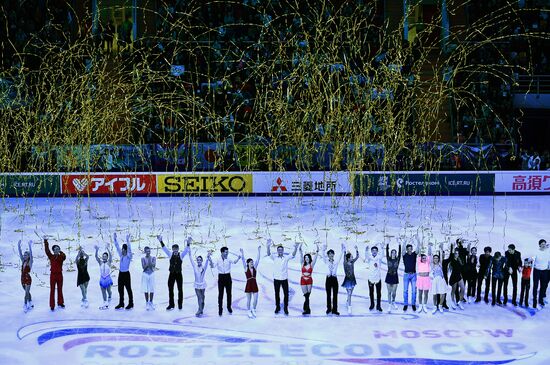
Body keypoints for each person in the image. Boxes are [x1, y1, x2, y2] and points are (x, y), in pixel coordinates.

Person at [267, 239, 300, 315]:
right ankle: (277, 307)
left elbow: (293, 254)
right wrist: (268, 246)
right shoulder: (274, 258)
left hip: (284, 279)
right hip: (276, 279)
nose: (280, 251)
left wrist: (296, 247)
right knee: (277, 294)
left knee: (286, 294)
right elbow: (268, 254)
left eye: (281, 250)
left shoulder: (286, 258)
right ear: (277, 251)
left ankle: (285, 307)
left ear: (283, 250)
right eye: (279, 250)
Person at [158, 235, 190, 310]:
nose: (175, 251)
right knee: (170, 289)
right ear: (172, 249)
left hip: (179, 274)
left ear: (178, 249)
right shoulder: (170, 254)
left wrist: (188, 243)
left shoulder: (181, 255)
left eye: (176, 249)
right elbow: (164, 248)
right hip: (171, 274)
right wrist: (160, 241)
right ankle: (171, 304)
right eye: (174, 249)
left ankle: (180, 304)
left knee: (180, 289)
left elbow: (186, 250)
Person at [210, 246, 242, 316]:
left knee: (229, 293)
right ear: (222, 252)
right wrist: (210, 260)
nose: (227, 253)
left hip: (228, 277)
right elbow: (213, 266)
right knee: (221, 294)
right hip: (221, 277)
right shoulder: (217, 259)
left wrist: (238, 258)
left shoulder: (229, 259)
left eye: (227, 252)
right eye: (225, 252)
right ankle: (220, 309)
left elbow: (234, 262)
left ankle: (229, 307)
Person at [189, 239, 212, 317]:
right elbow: (190, 257)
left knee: (203, 298)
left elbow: (207, 262)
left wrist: (208, 255)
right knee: (199, 298)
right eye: (197, 260)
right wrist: (188, 246)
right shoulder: (194, 267)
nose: (198, 261)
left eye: (200, 260)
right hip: (196, 285)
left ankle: (201, 308)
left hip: (202, 285)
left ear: (201, 261)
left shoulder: (203, 267)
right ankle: (199, 310)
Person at [321, 243, 345, 316]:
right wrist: (323, 249)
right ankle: (329, 309)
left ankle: (335, 309)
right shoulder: (326, 261)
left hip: (334, 279)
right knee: (328, 295)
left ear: (333, 254)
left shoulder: (336, 262)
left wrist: (342, 249)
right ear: (328, 255)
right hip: (328, 279)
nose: (331, 255)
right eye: (330, 254)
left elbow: (340, 256)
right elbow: (323, 256)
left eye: (332, 254)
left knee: (335, 295)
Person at [44, 238, 66, 311]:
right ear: (53, 250)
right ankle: (52, 305)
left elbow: (64, 257)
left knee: (60, 289)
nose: (57, 250)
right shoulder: (51, 256)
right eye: (56, 249)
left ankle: (60, 302)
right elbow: (47, 251)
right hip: (53, 275)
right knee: (52, 290)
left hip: (60, 275)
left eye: (58, 249)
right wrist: (45, 241)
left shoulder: (61, 257)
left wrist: (61, 251)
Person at [240, 245, 262, 318]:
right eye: (251, 262)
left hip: (254, 284)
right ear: (248, 263)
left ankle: (254, 309)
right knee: (248, 300)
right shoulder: (246, 268)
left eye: (252, 262)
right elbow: (243, 260)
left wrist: (259, 251)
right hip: (249, 284)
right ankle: (248, 310)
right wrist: (242, 253)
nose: (252, 263)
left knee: (256, 299)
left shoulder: (254, 268)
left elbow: (258, 259)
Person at [114, 233, 134, 310]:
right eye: (122, 249)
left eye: (124, 250)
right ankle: (121, 303)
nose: (122, 251)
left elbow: (130, 249)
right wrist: (115, 239)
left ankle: (131, 303)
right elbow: (117, 247)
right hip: (120, 274)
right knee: (120, 289)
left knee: (128, 288)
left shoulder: (129, 256)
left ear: (126, 250)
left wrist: (127, 240)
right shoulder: (121, 255)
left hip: (126, 274)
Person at [299, 243, 320, 315]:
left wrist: (317, 250)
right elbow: (301, 255)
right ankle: (306, 307)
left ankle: (307, 309)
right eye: (305, 258)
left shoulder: (312, 264)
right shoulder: (302, 263)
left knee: (308, 295)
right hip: (303, 280)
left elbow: (316, 258)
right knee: (305, 295)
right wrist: (300, 249)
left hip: (309, 280)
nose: (306, 259)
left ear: (309, 258)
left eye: (308, 258)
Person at [365, 244, 384, 312]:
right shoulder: (369, 258)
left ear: (377, 251)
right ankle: (372, 304)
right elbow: (366, 256)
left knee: (378, 293)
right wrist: (366, 250)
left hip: (378, 278)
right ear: (371, 251)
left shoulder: (379, 258)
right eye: (373, 250)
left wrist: (382, 248)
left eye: (376, 250)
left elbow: (382, 254)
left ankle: (378, 305)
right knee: (371, 293)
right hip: (371, 278)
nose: (374, 252)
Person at [532, 239, 549, 310]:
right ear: (539, 245)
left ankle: (540, 300)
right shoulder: (536, 252)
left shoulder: (548, 252)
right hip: (537, 271)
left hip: (545, 271)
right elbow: (532, 258)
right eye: (542, 244)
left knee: (543, 286)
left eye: (544, 244)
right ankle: (534, 301)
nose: (543, 245)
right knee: (535, 286)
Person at [342, 245, 359, 315]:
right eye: (351, 257)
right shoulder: (345, 263)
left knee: (350, 293)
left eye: (352, 257)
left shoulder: (352, 262)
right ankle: (349, 306)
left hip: (353, 279)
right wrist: (344, 251)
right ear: (348, 258)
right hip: (347, 280)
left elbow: (357, 257)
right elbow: (344, 258)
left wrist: (357, 250)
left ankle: (347, 301)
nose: (352, 258)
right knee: (349, 293)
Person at [95, 245, 113, 310]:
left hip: (107, 278)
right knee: (103, 291)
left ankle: (110, 295)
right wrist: (97, 250)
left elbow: (111, 256)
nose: (104, 257)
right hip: (102, 278)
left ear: (107, 257)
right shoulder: (100, 262)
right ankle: (105, 302)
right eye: (103, 256)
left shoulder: (109, 262)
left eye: (105, 256)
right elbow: (96, 257)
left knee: (108, 291)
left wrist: (108, 248)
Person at [402, 238, 418, 312]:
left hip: (413, 275)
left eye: (410, 249)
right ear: (407, 249)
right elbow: (402, 251)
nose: (409, 250)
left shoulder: (414, 254)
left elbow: (418, 250)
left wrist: (417, 240)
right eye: (408, 249)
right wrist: (404, 242)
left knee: (414, 291)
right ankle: (405, 304)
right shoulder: (404, 255)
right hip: (406, 275)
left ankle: (413, 304)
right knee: (405, 290)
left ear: (412, 249)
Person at [385, 243, 401, 313]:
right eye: (392, 253)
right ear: (391, 253)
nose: (393, 254)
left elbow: (400, 253)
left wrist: (399, 245)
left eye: (394, 253)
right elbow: (386, 251)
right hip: (388, 276)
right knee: (389, 292)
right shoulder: (388, 258)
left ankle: (393, 301)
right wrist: (387, 245)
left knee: (394, 292)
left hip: (395, 276)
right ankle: (389, 304)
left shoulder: (397, 259)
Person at [431, 247, 448, 314]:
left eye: (437, 258)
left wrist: (441, 247)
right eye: (434, 258)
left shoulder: (440, 264)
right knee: (434, 294)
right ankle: (435, 306)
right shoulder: (432, 265)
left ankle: (440, 305)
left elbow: (441, 256)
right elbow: (430, 255)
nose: (436, 259)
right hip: (435, 281)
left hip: (441, 280)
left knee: (443, 293)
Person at [18, 240, 33, 312]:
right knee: (27, 292)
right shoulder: (23, 261)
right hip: (22, 278)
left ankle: (25, 304)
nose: (24, 256)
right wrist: (18, 245)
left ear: (28, 256)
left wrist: (30, 246)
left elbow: (31, 255)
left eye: (26, 255)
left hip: (28, 278)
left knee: (26, 293)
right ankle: (30, 302)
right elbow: (20, 253)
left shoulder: (30, 262)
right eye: (24, 255)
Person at [416, 245, 433, 313]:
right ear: (421, 258)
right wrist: (419, 246)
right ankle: (420, 305)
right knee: (420, 293)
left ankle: (424, 305)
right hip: (420, 279)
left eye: (425, 258)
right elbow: (419, 254)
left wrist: (429, 246)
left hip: (426, 279)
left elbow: (429, 253)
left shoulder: (427, 262)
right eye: (423, 258)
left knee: (426, 293)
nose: (424, 259)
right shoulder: (419, 262)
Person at [141, 246, 156, 310]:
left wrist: (150, 260)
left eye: (149, 251)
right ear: (145, 252)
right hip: (145, 274)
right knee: (146, 289)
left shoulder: (153, 258)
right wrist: (149, 262)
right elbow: (144, 267)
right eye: (147, 251)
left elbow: (153, 265)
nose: (148, 252)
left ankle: (151, 302)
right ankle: (147, 302)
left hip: (151, 274)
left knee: (152, 288)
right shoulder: (143, 258)